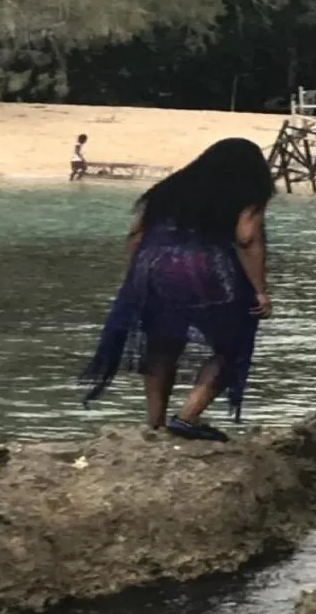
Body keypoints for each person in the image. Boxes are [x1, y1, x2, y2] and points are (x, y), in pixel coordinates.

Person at [80, 137, 275, 441]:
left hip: (153, 267)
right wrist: (260, 290)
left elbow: (135, 235)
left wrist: (132, 280)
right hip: (204, 267)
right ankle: (188, 417)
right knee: (232, 342)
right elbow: (246, 238)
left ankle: (155, 424)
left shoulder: (170, 187)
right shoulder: (249, 191)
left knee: (161, 343)